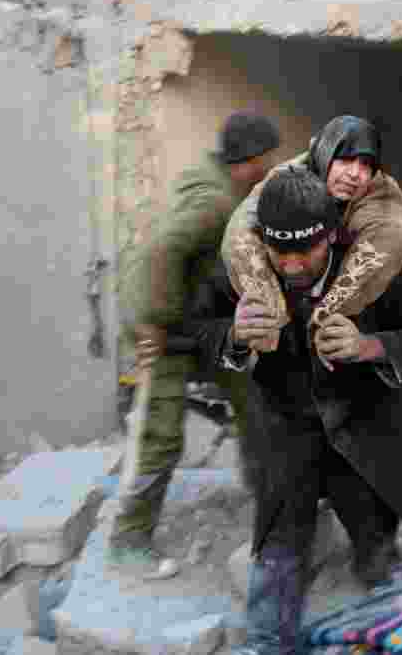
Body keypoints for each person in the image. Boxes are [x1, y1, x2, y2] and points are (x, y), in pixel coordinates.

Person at [185, 166, 402, 655]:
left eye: (303, 250)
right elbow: (197, 331)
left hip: (365, 434)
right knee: (277, 562)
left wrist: (368, 345)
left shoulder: (378, 267)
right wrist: (234, 335)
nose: (289, 266)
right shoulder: (243, 269)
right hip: (286, 434)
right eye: (277, 250)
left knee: (379, 558)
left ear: (331, 234)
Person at [220, 115, 402, 553]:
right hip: (305, 409)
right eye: (346, 159)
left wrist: (363, 341)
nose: (355, 173)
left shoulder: (383, 217)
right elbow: (239, 241)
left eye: (366, 165)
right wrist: (258, 315)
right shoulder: (284, 195)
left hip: (369, 343)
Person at [110, 111, 281, 579]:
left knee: (254, 392)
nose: (271, 169)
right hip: (160, 324)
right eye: (266, 161)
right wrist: (156, 323)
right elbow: (160, 252)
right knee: (161, 436)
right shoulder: (213, 203)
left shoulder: (226, 188)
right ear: (245, 163)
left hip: (197, 321)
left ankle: (269, 498)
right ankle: (129, 537)